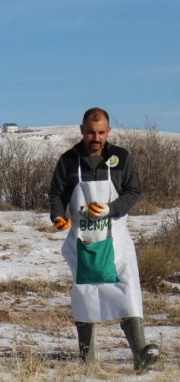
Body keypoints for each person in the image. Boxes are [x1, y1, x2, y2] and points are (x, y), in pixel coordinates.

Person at [48, 107, 160, 372]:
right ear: (81, 131)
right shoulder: (68, 160)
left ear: (108, 132)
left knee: (129, 293)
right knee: (84, 296)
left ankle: (140, 354)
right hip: (83, 242)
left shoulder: (121, 158)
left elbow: (134, 191)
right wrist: (57, 216)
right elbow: (57, 194)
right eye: (90, 132)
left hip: (117, 242)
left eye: (100, 132)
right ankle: (86, 360)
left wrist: (112, 208)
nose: (95, 138)